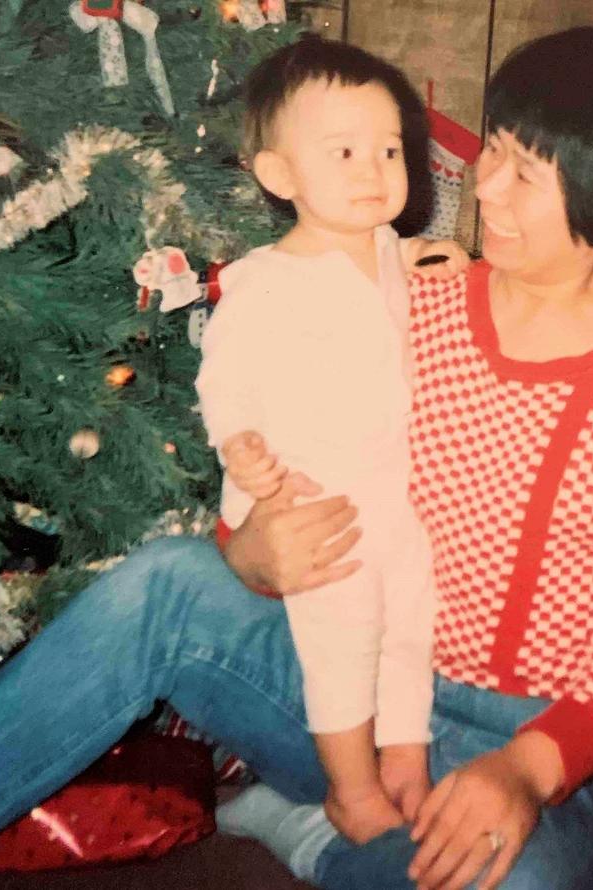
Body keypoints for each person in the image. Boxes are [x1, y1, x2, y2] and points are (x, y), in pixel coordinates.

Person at [0, 25, 593, 890]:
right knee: (169, 580)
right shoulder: (413, 305)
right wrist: (248, 551)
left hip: (564, 756)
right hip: (371, 706)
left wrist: (527, 773)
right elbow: (289, 457)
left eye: (526, 174)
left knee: (518, 878)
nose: (485, 188)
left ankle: (314, 834)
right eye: (491, 151)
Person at [196, 37, 466, 845]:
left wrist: (435, 258)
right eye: (343, 151)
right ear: (279, 176)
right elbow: (225, 378)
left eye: (389, 150)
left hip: (395, 485)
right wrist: (238, 443)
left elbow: (400, 273)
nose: (372, 169)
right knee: (344, 638)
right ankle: (350, 788)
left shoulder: (388, 249)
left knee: (415, 622)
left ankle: (406, 762)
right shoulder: (266, 281)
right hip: (312, 498)